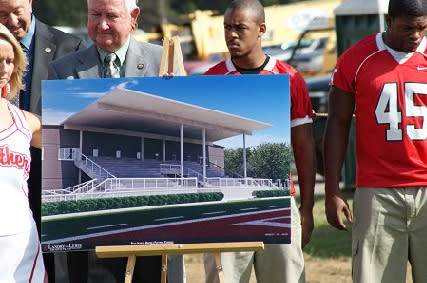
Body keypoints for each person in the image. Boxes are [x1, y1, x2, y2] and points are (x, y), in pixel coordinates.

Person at [49, 0, 182, 282]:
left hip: (154, 229)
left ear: (134, 17)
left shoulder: (165, 63)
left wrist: (177, 97)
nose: (102, 24)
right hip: (92, 235)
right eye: (95, 15)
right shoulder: (62, 71)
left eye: (111, 15)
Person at [203, 1, 316, 282]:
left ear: (261, 29)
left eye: (240, 28)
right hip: (224, 204)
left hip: (277, 200)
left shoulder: (290, 77)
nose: (231, 35)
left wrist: (307, 207)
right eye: (227, 27)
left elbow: (304, 147)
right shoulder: (211, 79)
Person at [323, 0, 427, 282]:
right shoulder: (356, 58)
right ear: (389, 21)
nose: (415, 36)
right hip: (377, 190)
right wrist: (332, 188)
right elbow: (337, 123)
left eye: (422, 28)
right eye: (407, 28)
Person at [0, 22, 44, 282]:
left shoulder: (25, 121)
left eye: (8, 60)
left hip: (21, 248)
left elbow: (78, 136)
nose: (4, 68)